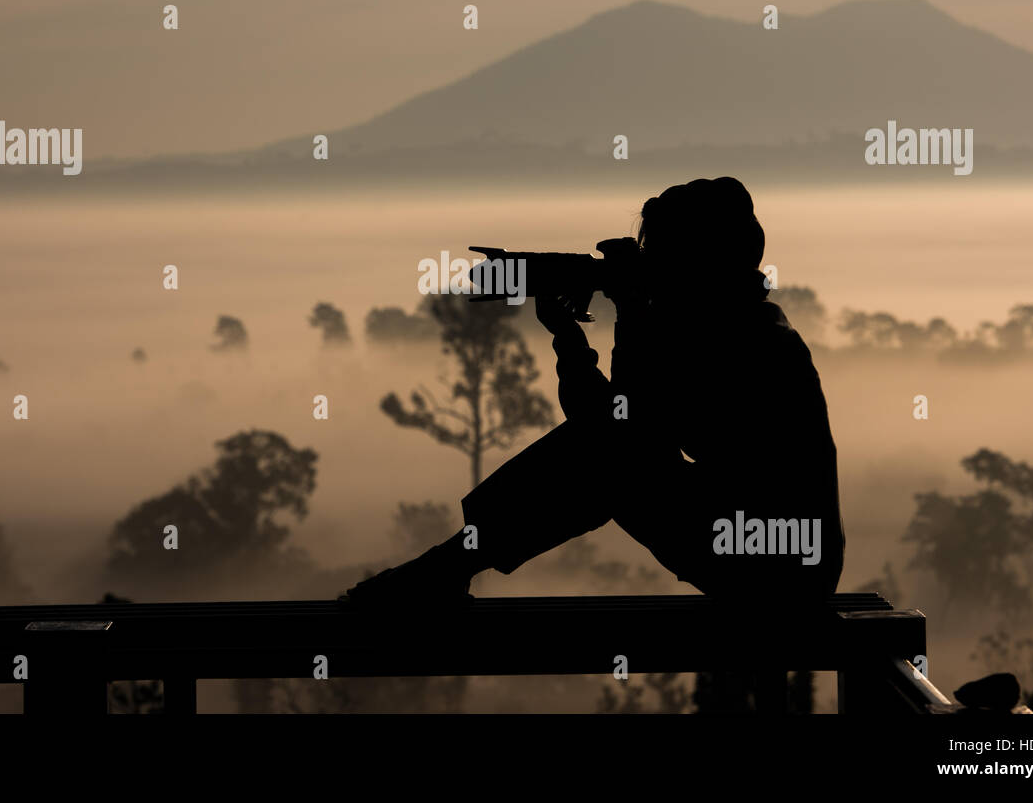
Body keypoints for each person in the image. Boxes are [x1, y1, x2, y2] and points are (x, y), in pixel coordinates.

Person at [343, 177, 845, 605]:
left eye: (662, 253)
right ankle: (449, 566)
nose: (651, 266)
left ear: (699, 260)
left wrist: (628, 310)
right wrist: (571, 338)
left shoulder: (748, 339)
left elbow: (619, 429)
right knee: (609, 449)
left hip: (780, 567)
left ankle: (446, 567)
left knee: (610, 451)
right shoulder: (735, 324)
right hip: (772, 557)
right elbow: (615, 423)